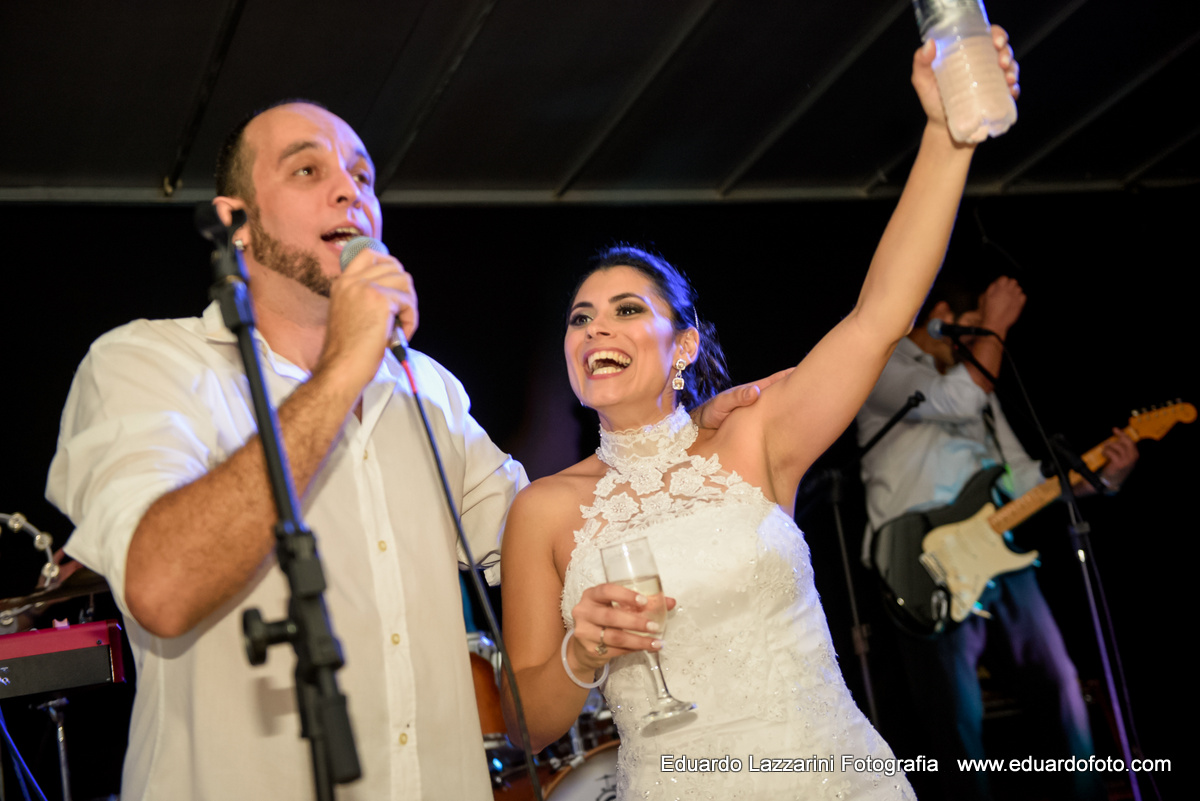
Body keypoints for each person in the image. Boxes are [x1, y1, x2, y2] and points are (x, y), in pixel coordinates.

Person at [44, 100, 768, 800]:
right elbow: (161, 588)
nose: (347, 191)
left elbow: (562, 536)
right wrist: (346, 365)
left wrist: (670, 430)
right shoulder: (147, 363)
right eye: (306, 171)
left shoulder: (429, 392)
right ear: (236, 223)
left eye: (361, 176)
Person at [499, 30, 1021, 799]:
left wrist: (947, 136)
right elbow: (524, 725)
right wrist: (582, 655)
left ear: (684, 348)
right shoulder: (542, 511)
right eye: (580, 317)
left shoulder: (754, 437)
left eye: (625, 309)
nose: (594, 328)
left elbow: (879, 316)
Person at [855, 273, 1138, 800]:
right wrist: (997, 324)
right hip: (919, 554)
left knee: (1061, 689)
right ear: (940, 314)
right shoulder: (885, 366)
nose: (981, 341)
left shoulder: (980, 388)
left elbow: (1021, 477)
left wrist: (1103, 476)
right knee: (956, 722)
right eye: (972, 329)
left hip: (995, 552)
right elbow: (956, 399)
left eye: (984, 333)